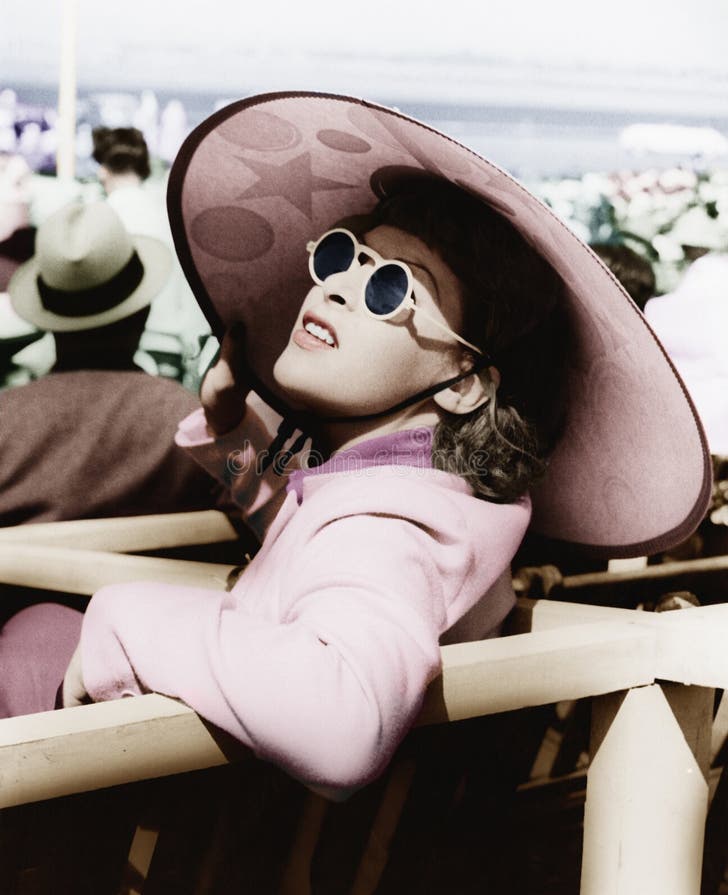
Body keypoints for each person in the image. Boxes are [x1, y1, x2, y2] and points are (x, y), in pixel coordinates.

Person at [0, 94, 709, 802]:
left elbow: (343, 718)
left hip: (184, 842)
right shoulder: (414, 492)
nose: (339, 286)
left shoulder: (390, 528)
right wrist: (227, 428)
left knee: (37, 634)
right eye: (345, 255)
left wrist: (121, 615)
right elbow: (298, 526)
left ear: (465, 387)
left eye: (391, 288)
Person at [0, 199, 227, 524]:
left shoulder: (6, 422)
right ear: (142, 310)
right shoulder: (190, 426)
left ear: (46, 318)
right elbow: (257, 514)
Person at [92, 126, 210, 382]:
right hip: (172, 347)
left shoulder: (101, 219)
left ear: (102, 169)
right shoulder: (169, 216)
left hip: (125, 349)